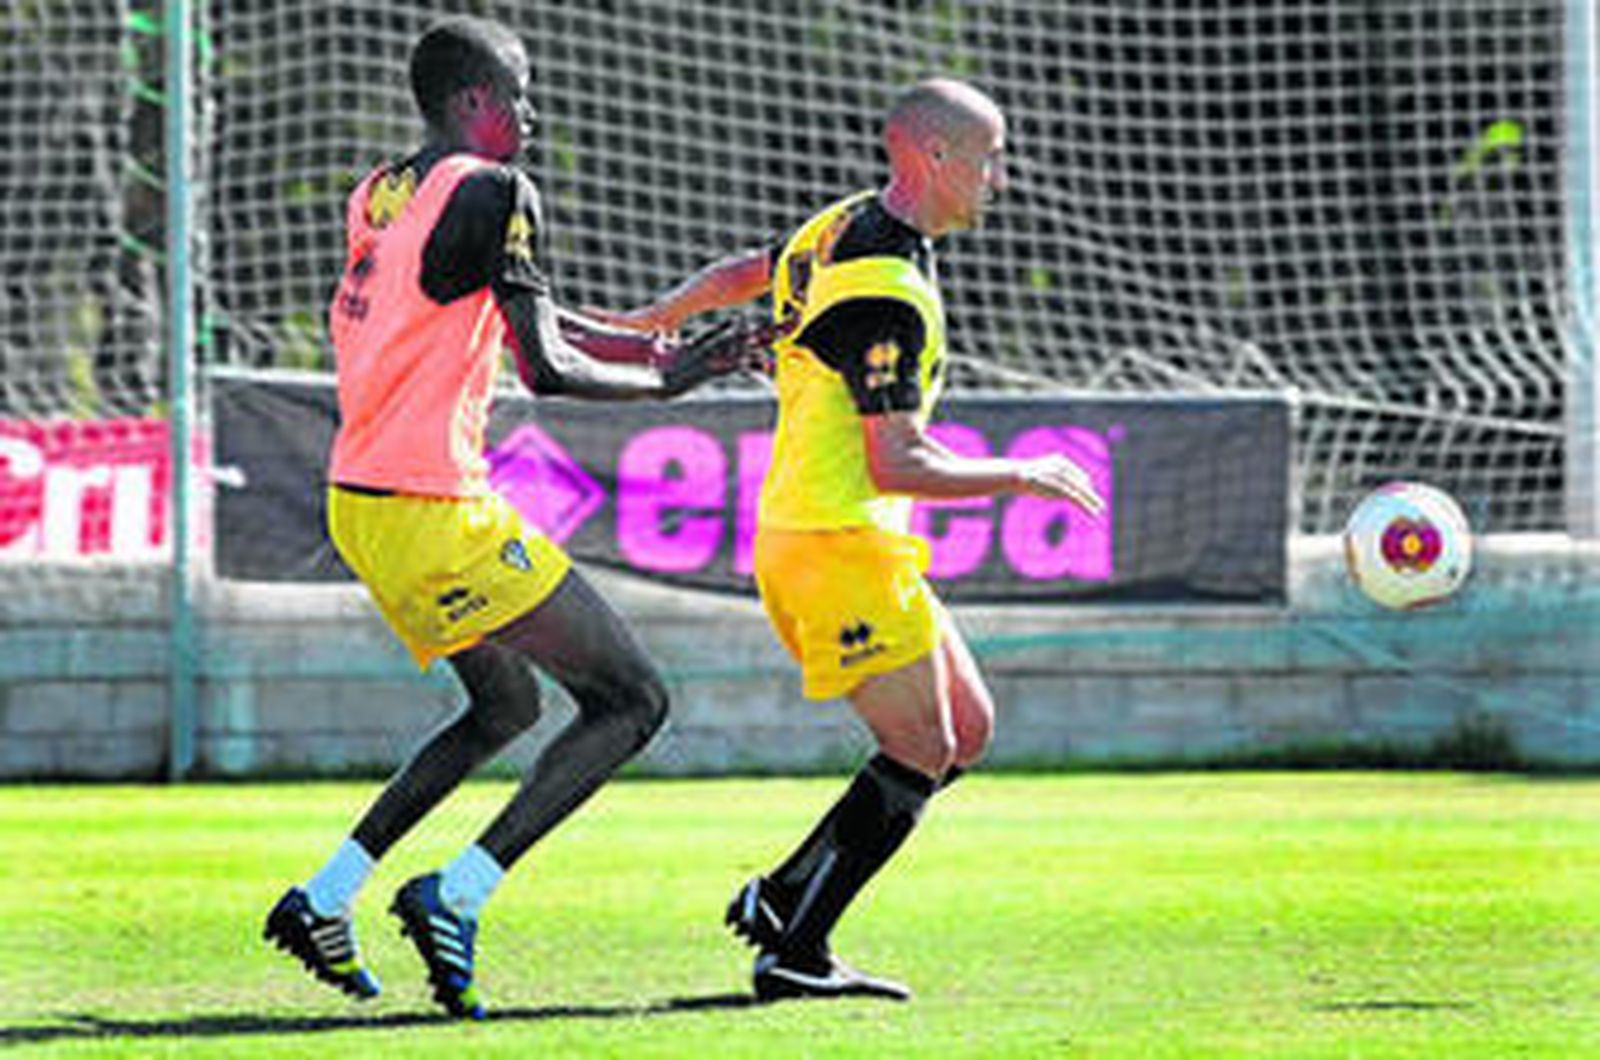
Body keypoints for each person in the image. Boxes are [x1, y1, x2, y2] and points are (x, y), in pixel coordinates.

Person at [262, 17, 771, 1020]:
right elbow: (543, 363)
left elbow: (522, 314)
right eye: (519, 95)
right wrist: (672, 379)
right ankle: (454, 892)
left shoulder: (382, 191)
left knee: (503, 707)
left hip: (362, 498)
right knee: (631, 700)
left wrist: (663, 344)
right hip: (431, 501)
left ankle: (323, 896)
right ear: (472, 102)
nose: (531, 117)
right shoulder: (496, 190)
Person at [593, 78, 1104, 1002]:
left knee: (966, 732)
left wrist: (647, 325)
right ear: (933, 157)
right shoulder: (886, 289)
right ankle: (797, 953)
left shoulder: (848, 224)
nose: (1001, 177)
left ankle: (784, 894)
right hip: (833, 537)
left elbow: (747, 270)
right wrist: (1023, 474)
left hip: (842, 535)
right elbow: (897, 462)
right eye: (988, 158)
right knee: (921, 745)